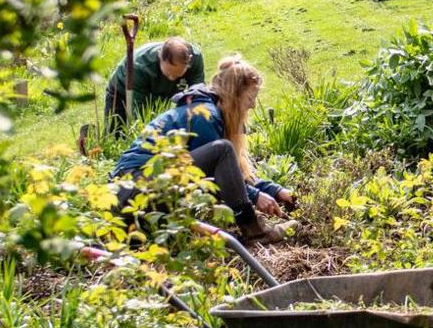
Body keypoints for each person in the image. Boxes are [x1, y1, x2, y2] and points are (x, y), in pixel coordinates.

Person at [111, 56, 298, 244]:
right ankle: (256, 232)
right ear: (235, 94)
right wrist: (256, 196)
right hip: (131, 190)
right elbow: (218, 179)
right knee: (223, 149)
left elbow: (233, 177)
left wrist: (275, 190)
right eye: (250, 98)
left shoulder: (208, 111)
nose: (253, 105)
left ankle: (241, 234)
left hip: (140, 191)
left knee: (223, 153)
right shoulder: (204, 115)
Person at [104, 36, 206, 132]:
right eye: (168, 74)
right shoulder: (141, 67)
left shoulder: (195, 59)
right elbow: (139, 114)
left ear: (189, 61)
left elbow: (198, 93)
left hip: (159, 93)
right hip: (122, 90)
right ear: (159, 57)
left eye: (178, 75)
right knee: (115, 134)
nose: (171, 79)